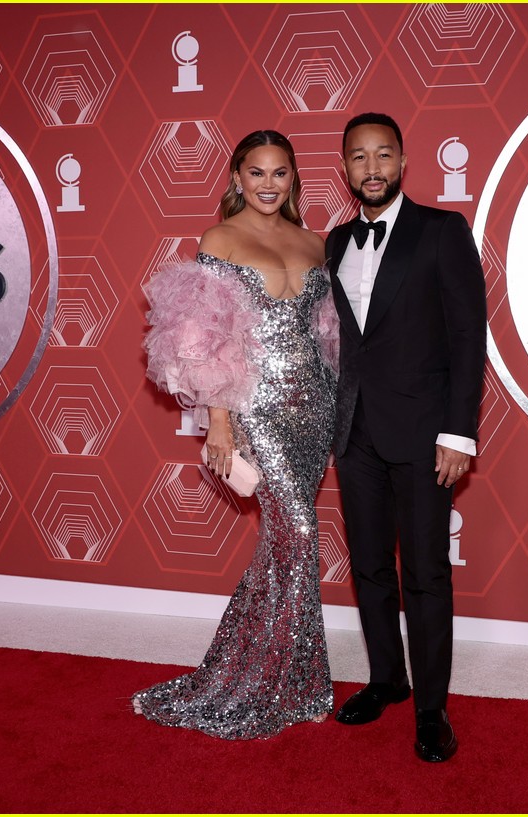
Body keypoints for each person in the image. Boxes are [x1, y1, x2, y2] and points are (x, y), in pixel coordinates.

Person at [133, 130, 340, 739]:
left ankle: (283, 673)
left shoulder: (314, 243)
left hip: (316, 404)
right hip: (258, 405)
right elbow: (205, 336)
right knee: (300, 534)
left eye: (280, 173)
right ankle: (276, 678)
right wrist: (219, 419)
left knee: (282, 542)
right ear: (236, 178)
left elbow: (327, 335)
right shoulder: (219, 239)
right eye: (257, 173)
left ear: (294, 179)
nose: (269, 184)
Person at [325, 112, 487, 762]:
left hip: (425, 433)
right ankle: (387, 679)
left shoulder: (442, 232)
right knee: (368, 567)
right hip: (354, 432)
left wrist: (460, 433)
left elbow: (467, 337)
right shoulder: (333, 243)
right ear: (345, 169)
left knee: (424, 573)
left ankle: (431, 707)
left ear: (403, 162)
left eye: (383, 155)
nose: (372, 168)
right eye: (359, 158)